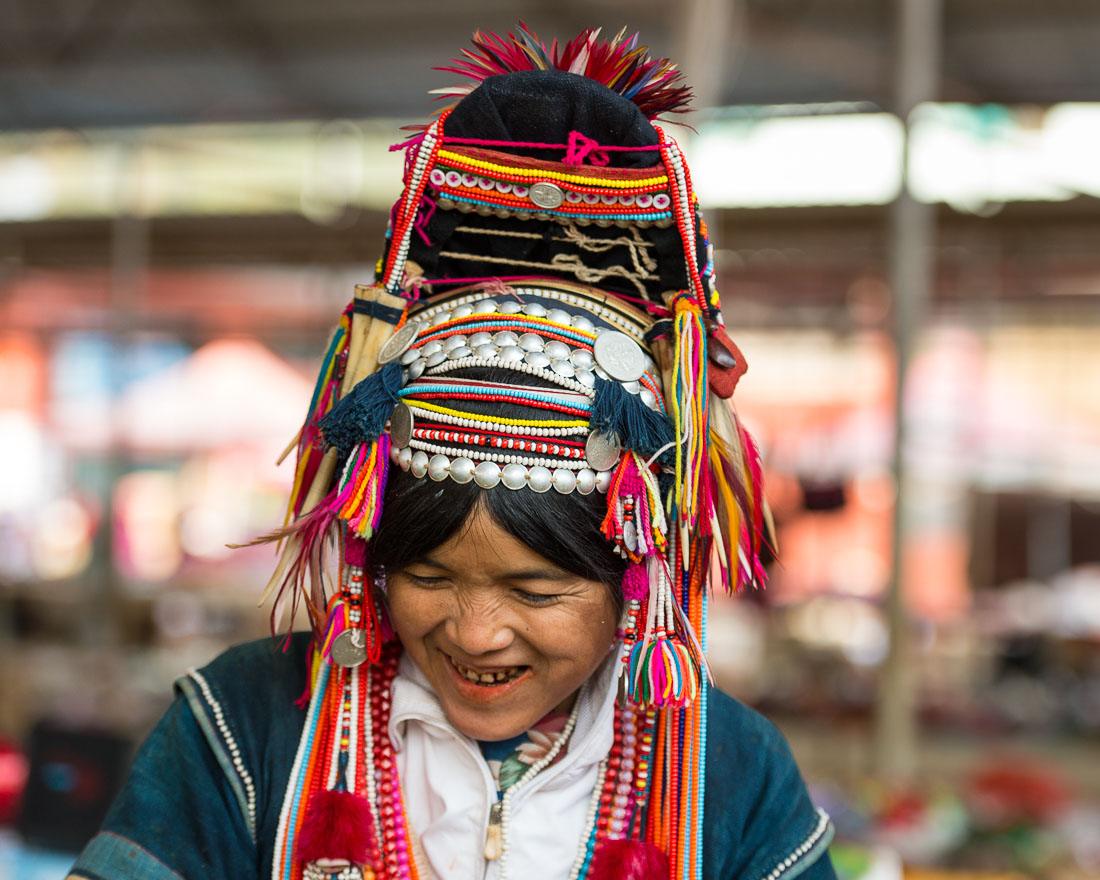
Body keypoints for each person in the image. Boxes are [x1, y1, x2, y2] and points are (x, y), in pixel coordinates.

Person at [68, 26, 837, 880]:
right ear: (372, 552)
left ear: (637, 570)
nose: (475, 632)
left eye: (534, 587)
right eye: (429, 577)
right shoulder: (244, 726)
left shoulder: (734, 775)